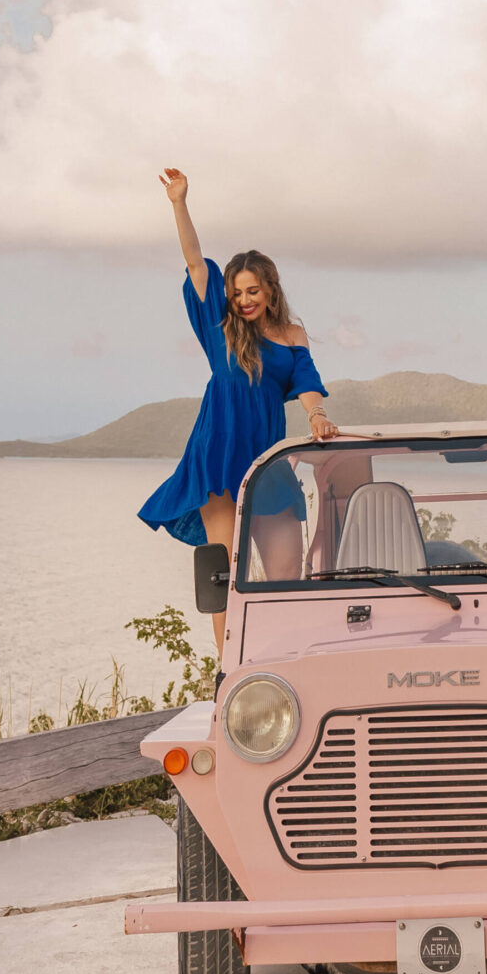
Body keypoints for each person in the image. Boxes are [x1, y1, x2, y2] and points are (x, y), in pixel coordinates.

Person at [139, 169, 338, 643]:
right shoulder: (219, 326)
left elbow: (306, 381)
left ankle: (282, 658)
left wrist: (316, 415)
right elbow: (194, 263)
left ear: (270, 290)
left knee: (286, 574)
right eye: (237, 292)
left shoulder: (292, 336)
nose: (245, 300)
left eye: (254, 291)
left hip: (268, 463)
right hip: (218, 458)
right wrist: (178, 203)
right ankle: (231, 672)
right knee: (225, 578)